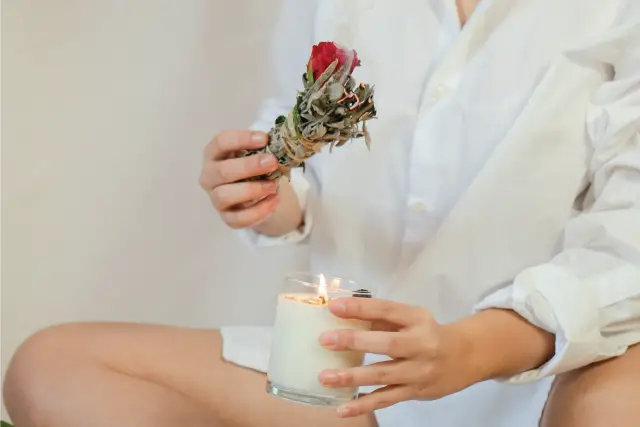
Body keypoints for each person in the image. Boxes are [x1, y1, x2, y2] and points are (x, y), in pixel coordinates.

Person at [4, 0, 640, 426]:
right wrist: (267, 191)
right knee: (52, 367)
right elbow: (300, 140)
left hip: (546, 372)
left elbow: (626, 248)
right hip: (348, 373)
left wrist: (472, 348)